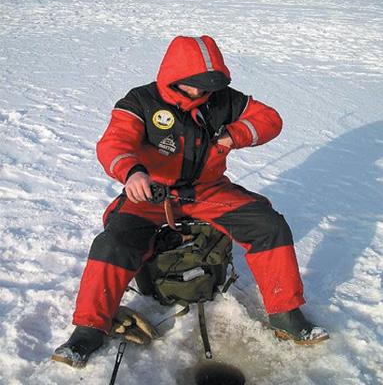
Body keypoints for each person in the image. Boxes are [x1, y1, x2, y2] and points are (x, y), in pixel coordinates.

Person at [52, 35, 329, 367]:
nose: (204, 92)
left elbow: (271, 119)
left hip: (206, 190)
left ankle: (286, 315)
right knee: (113, 244)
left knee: (269, 226)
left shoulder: (222, 100)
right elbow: (113, 144)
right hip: (151, 194)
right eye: (197, 85)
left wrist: (236, 134)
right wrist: (133, 173)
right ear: (175, 77)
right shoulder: (141, 101)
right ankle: (88, 330)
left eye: (210, 85)